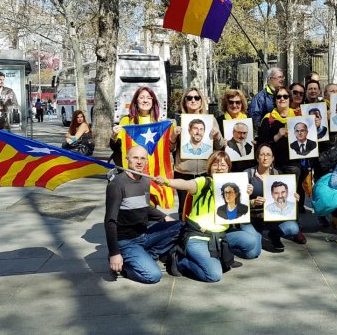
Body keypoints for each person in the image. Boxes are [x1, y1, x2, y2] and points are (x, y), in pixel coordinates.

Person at [155, 151, 261, 282]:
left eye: (223, 165)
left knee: (251, 242)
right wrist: (167, 181)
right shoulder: (203, 182)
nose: (219, 168)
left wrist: (248, 198)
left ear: (228, 168)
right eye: (215, 165)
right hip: (198, 236)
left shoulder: (235, 185)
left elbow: (236, 211)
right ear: (209, 167)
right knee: (214, 275)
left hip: (220, 236)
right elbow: (185, 184)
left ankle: (219, 256)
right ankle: (180, 261)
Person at [104, 145, 183, 283]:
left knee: (182, 226)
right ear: (127, 159)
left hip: (144, 235)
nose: (139, 162)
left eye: (142, 158)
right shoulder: (117, 184)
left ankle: (148, 255)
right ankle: (123, 266)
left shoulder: (145, 180)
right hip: (126, 241)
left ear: (147, 161)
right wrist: (114, 253)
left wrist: (164, 217)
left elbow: (145, 207)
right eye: (135, 158)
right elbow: (110, 221)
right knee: (153, 276)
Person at [172, 88, 226, 218]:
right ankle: (184, 235)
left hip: (205, 172)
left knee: (205, 207)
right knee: (184, 210)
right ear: (184, 101)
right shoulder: (177, 121)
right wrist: (173, 137)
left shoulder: (211, 121)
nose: (193, 100)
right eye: (189, 98)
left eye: (196, 97)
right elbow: (170, 149)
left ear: (201, 101)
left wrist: (217, 136)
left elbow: (220, 148)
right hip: (183, 173)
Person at [246, 143, 304, 251]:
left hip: (273, 218)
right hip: (254, 219)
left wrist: (293, 197)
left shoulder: (278, 174)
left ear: (273, 158)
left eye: (268, 155)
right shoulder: (248, 174)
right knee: (253, 252)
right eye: (262, 154)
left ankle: (274, 235)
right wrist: (251, 200)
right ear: (257, 158)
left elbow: (284, 198)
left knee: (293, 228)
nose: (265, 157)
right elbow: (239, 202)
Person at [257, 86, 302, 191]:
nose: (282, 99)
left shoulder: (298, 116)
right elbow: (262, 143)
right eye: (279, 97)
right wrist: (278, 136)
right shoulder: (268, 118)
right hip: (274, 164)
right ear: (275, 100)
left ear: (289, 99)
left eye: (285, 96)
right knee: (276, 192)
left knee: (292, 194)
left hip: (293, 164)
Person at [111, 86, 163, 167]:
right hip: (131, 169)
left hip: (153, 168)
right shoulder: (126, 121)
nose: (145, 100)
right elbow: (115, 148)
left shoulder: (160, 123)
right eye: (141, 97)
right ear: (136, 101)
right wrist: (114, 135)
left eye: (149, 98)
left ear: (153, 102)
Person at [249, 67, 285, 136]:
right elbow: (255, 120)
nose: (282, 80)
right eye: (279, 77)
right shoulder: (260, 97)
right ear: (270, 79)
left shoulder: (285, 95)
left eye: (283, 77)